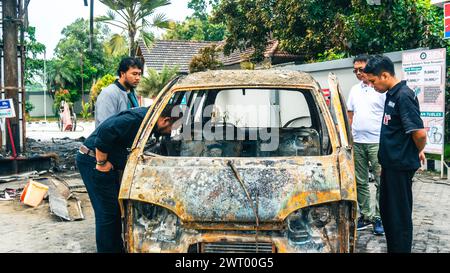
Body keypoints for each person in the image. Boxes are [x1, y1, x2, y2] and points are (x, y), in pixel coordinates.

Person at [76, 105, 182, 253]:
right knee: (107, 214)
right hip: (92, 161)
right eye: (173, 128)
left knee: (113, 211)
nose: (171, 133)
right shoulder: (138, 119)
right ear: (165, 120)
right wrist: (101, 162)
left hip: (100, 161)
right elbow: (106, 131)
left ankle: (117, 248)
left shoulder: (148, 118)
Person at [363, 55, 427, 253]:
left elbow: (419, 132)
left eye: (373, 81)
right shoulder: (392, 94)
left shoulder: (403, 95)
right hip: (390, 166)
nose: (372, 86)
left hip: (400, 167)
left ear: (384, 75)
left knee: (399, 218)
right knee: (389, 214)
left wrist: (418, 149)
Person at [346, 54, 386, 235]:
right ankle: (366, 215)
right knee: (360, 181)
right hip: (358, 142)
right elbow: (350, 113)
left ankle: (380, 218)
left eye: (360, 69)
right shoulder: (354, 90)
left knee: (381, 181)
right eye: (355, 70)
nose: (357, 73)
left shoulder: (381, 89)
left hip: (377, 142)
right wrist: (350, 137)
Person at [95, 57, 143, 127]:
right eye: (134, 74)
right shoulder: (109, 94)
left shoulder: (132, 93)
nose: (138, 78)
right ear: (123, 74)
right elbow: (105, 127)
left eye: (139, 74)